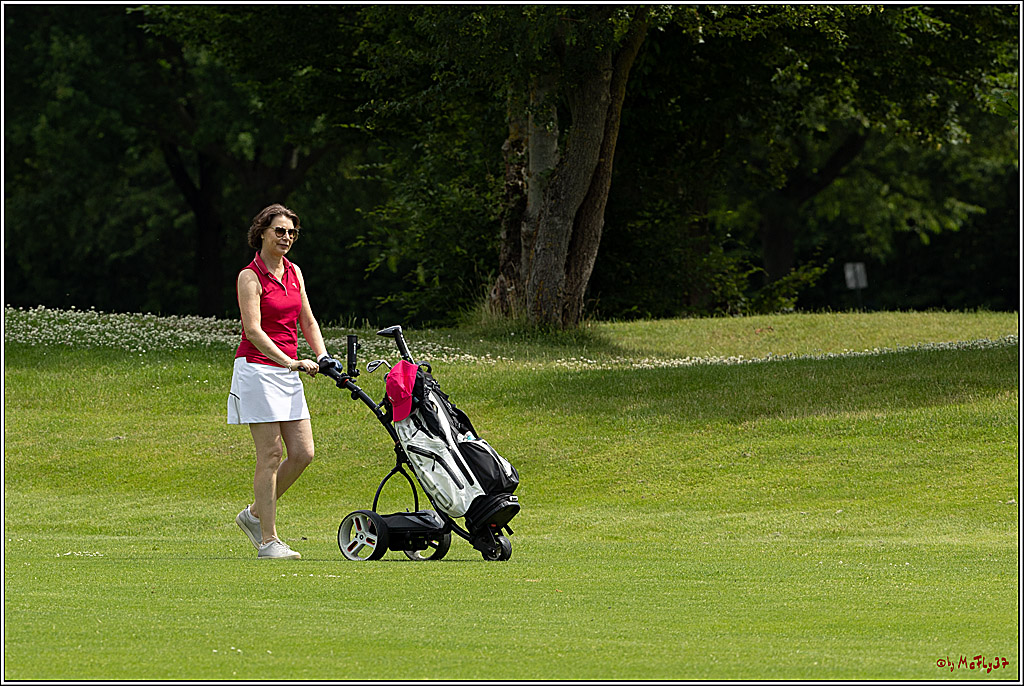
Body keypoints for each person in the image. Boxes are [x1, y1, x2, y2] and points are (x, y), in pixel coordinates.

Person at [227, 203, 341, 559]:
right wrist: (291, 362)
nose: (286, 237)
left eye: (291, 232)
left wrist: (321, 355)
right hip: (258, 369)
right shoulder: (250, 276)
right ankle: (268, 541)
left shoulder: (294, 272)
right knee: (271, 454)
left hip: (287, 370)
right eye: (279, 231)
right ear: (262, 232)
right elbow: (254, 331)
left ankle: (255, 514)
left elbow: (307, 321)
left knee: (304, 453)